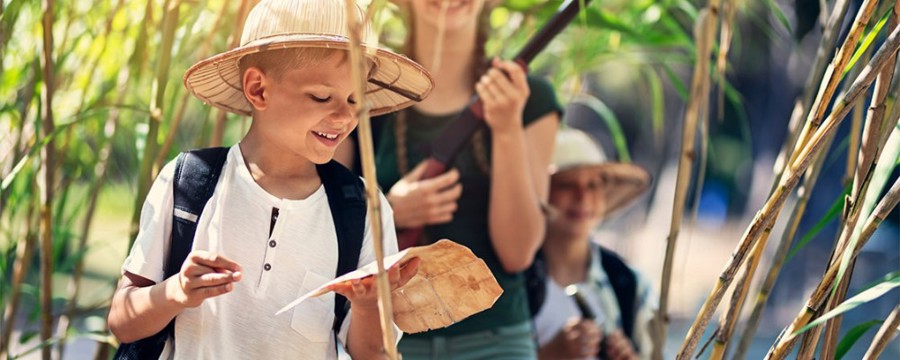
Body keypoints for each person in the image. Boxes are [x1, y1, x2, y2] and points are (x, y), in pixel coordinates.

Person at [107, 0, 434, 358]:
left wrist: (369, 305)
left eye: (356, 100)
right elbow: (122, 320)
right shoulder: (189, 185)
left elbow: (373, 354)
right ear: (259, 90)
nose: (345, 116)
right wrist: (176, 292)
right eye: (322, 96)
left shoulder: (363, 209)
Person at [336, 0, 561, 358]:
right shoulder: (359, 93)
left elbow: (518, 253)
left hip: (498, 341)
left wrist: (506, 128)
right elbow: (326, 223)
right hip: (384, 342)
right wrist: (389, 212)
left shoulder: (532, 99)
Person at [531, 127, 655, 360]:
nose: (582, 197)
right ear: (541, 192)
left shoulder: (630, 285)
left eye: (593, 185)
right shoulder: (511, 279)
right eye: (566, 185)